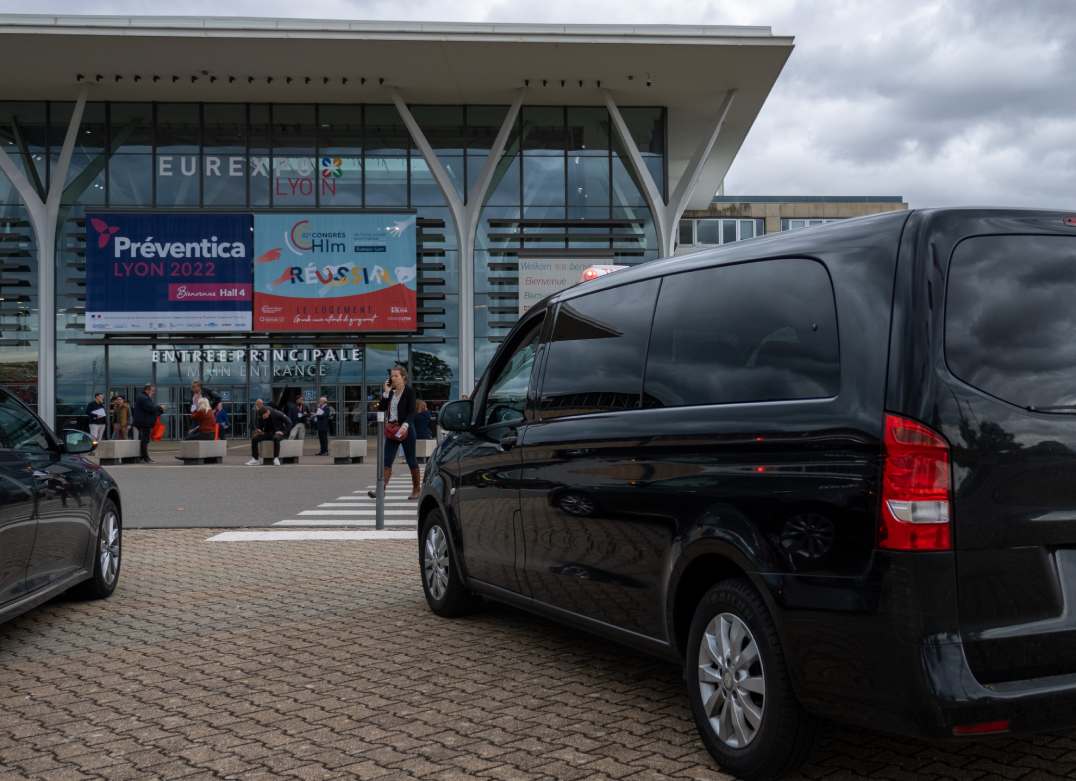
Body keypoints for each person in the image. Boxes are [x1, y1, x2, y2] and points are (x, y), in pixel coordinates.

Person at [368, 366, 420, 501]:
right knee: (387, 460)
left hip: (405, 429)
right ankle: (381, 490)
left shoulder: (409, 392)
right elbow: (380, 408)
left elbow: (412, 411)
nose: (393, 378)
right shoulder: (390, 392)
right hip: (392, 430)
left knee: (411, 459)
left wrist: (406, 425)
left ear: (403, 377)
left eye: (396, 376)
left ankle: (416, 489)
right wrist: (385, 393)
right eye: (392, 376)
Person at [132, 383, 165, 463]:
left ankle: (142, 457)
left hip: (143, 422)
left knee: (144, 439)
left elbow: (151, 409)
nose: (153, 393)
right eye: (152, 391)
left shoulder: (143, 397)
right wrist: (160, 408)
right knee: (145, 440)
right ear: (147, 390)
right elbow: (151, 408)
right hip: (144, 423)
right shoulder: (144, 398)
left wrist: (159, 410)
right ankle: (145, 458)